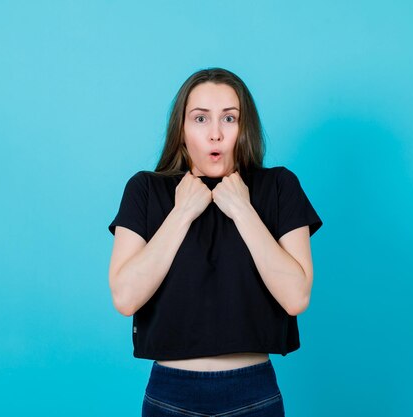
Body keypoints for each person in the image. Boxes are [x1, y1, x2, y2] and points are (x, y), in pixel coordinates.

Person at [108, 67, 323, 416]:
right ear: (181, 130)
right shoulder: (145, 190)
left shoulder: (280, 186)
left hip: (253, 394)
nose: (215, 134)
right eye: (200, 119)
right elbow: (125, 297)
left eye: (229, 118)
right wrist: (181, 214)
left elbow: (296, 297)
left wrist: (243, 210)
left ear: (245, 128)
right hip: (169, 395)